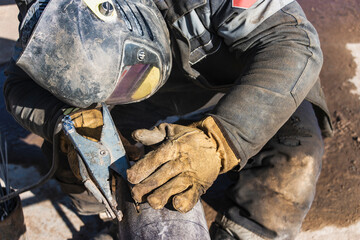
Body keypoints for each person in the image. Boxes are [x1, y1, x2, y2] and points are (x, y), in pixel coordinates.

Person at [4, 0, 333, 239]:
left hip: (236, 80)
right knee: (76, 154)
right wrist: (67, 118)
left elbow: (293, 43)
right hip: (142, 102)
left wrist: (221, 140)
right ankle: (118, 218)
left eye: (132, 76)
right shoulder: (50, 15)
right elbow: (18, 84)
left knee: (296, 158)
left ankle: (249, 231)